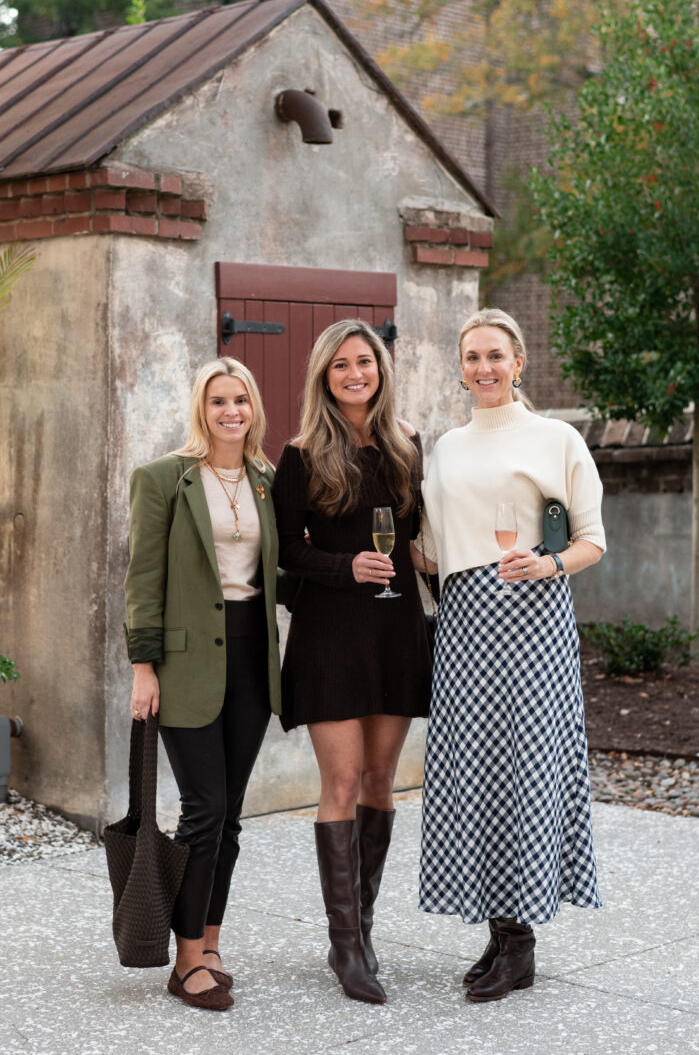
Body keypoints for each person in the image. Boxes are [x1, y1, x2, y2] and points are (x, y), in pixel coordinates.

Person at [414, 307, 606, 1003]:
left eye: (495, 355)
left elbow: (591, 540)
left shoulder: (556, 438)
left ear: (517, 361)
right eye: (471, 357)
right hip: (464, 621)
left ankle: (519, 940)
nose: (483, 368)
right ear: (459, 367)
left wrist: (550, 566)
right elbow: (432, 549)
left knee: (524, 768)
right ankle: (497, 931)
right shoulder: (444, 447)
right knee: (474, 770)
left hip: (530, 620)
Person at [273, 319, 432, 1005]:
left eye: (363, 362)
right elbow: (286, 550)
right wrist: (345, 567)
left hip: (395, 627)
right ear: (323, 376)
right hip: (330, 633)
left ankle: (362, 929)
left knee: (379, 779)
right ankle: (345, 950)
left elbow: (422, 531)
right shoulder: (302, 453)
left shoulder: (406, 447)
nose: (354, 373)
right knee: (338, 782)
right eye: (340, 365)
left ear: (379, 369)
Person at [124, 357, 281, 1012]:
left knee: (230, 817)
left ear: (253, 408)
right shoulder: (164, 478)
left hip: (252, 660)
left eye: (240, 399)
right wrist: (142, 666)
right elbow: (142, 579)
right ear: (201, 408)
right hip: (187, 664)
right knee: (203, 811)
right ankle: (184, 958)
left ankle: (210, 945)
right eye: (218, 401)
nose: (230, 412)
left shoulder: (269, 480)